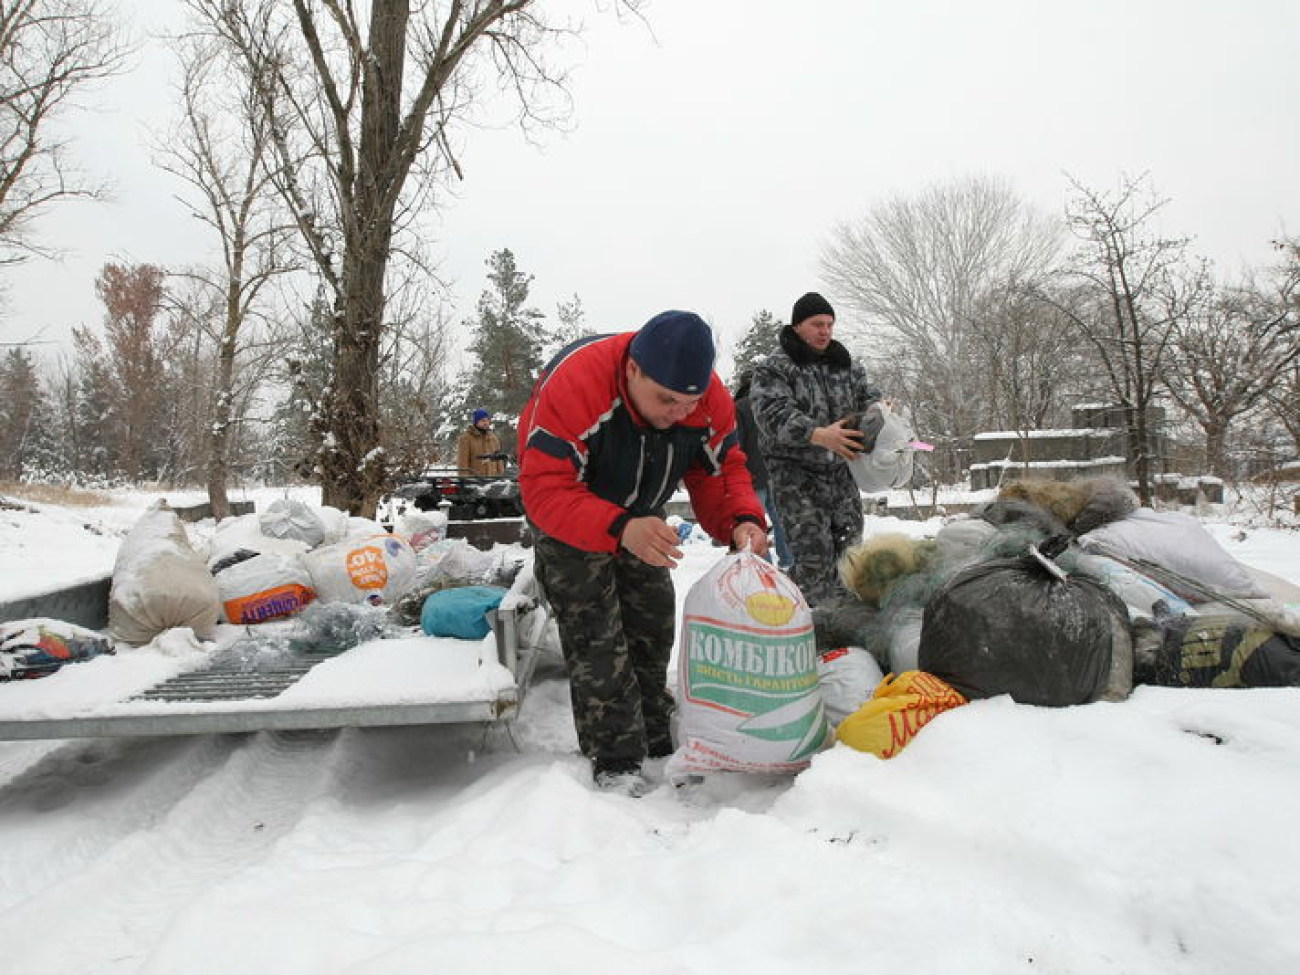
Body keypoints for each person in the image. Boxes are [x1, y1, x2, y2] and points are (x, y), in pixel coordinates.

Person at [518, 310, 769, 796]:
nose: (679, 412)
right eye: (667, 400)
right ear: (633, 369)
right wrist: (617, 526)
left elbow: (721, 471)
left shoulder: (708, 403)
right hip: (569, 507)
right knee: (597, 629)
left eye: (689, 402)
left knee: (651, 617)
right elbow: (544, 489)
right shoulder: (577, 387)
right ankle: (615, 756)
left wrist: (742, 521)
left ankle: (654, 729)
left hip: (641, 507)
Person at [750, 291, 882, 607]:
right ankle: (817, 632)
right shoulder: (776, 368)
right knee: (813, 558)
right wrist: (818, 434)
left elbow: (869, 399)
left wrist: (880, 412)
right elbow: (771, 414)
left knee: (851, 555)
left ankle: (850, 629)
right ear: (797, 326)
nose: (824, 331)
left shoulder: (845, 365)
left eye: (829, 324)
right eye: (816, 324)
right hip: (796, 478)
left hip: (841, 474)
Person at [733, 368, 792, 570]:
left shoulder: (738, 408)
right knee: (781, 521)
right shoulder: (771, 406)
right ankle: (788, 560)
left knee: (755, 524)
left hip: (751, 476)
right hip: (775, 473)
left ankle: (762, 565)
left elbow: (736, 444)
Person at [456, 408, 506, 476]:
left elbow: (499, 461)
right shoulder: (466, 438)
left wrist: (501, 476)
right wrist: (465, 481)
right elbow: (462, 463)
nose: (485, 423)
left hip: (492, 481)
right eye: (482, 421)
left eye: (487, 420)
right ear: (476, 422)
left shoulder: (493, 438)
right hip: (475, 482)